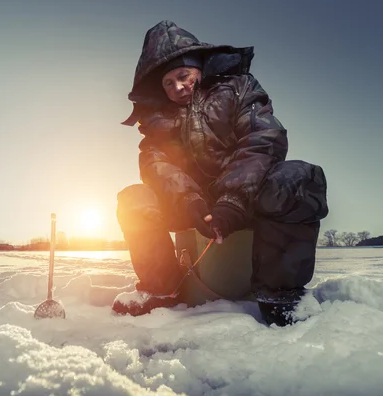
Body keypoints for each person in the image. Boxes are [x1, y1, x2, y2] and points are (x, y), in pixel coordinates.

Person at [113, 20, 329, 326]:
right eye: (168, 84)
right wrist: (188, 200)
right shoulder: (157, 119)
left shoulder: (239, 88)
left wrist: (233, 199)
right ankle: (162, 290)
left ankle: (282, 295)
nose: (177, 88)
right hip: (192, 204)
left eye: (183, 76)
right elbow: (157, 166)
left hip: (248, 194)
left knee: (297, 178)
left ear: (198, 67)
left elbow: (263, 139)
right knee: (135, 199)